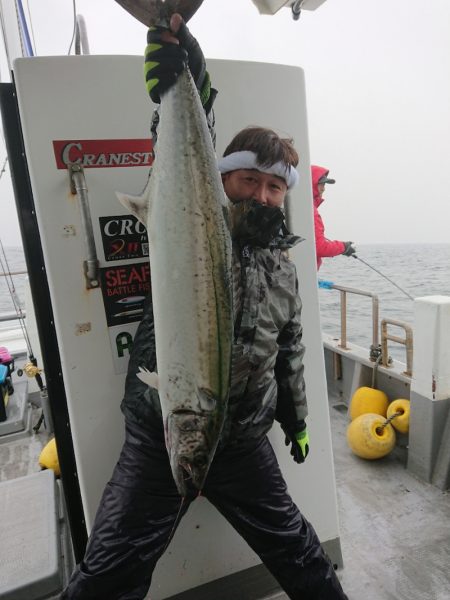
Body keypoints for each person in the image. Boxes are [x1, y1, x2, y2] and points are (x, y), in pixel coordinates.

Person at [61, 14, 348, 600]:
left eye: (275, 186)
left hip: (240, 438)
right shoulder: (197, 221)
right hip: (162, 429)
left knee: (299, 550)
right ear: (225, 181)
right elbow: (188, 160)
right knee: (107, 572)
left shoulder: (285, 269)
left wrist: (294, 418)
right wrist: (187, 80)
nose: (262, 193)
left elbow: (290, 349)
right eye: (249, 179)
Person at [311, 165, 356, 269]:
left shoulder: (306, 209)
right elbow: (319, 247)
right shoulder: (310, 212)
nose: (323, 189)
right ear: (311, 183)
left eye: (324, 185)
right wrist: (343, 247)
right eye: (321, 184)